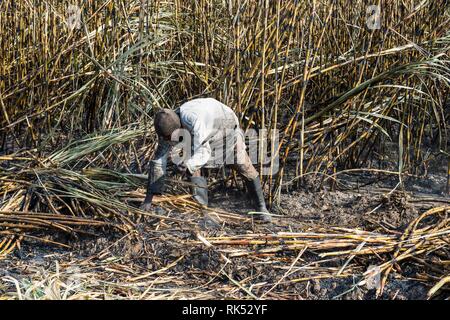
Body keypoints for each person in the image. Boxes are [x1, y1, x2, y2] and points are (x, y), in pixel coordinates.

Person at [140, 97, 272, 223]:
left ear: (178, 128)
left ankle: (261, 208)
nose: (168, 141)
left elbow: (203, 152)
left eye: (170, 138)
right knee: (194, 169)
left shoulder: (193, 121)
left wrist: (187, 164)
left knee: (243, 165)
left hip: (226, 128)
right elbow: (159, 160)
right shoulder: (167, 123)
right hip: (206, 134)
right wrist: (149, 197)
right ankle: (203, 212)